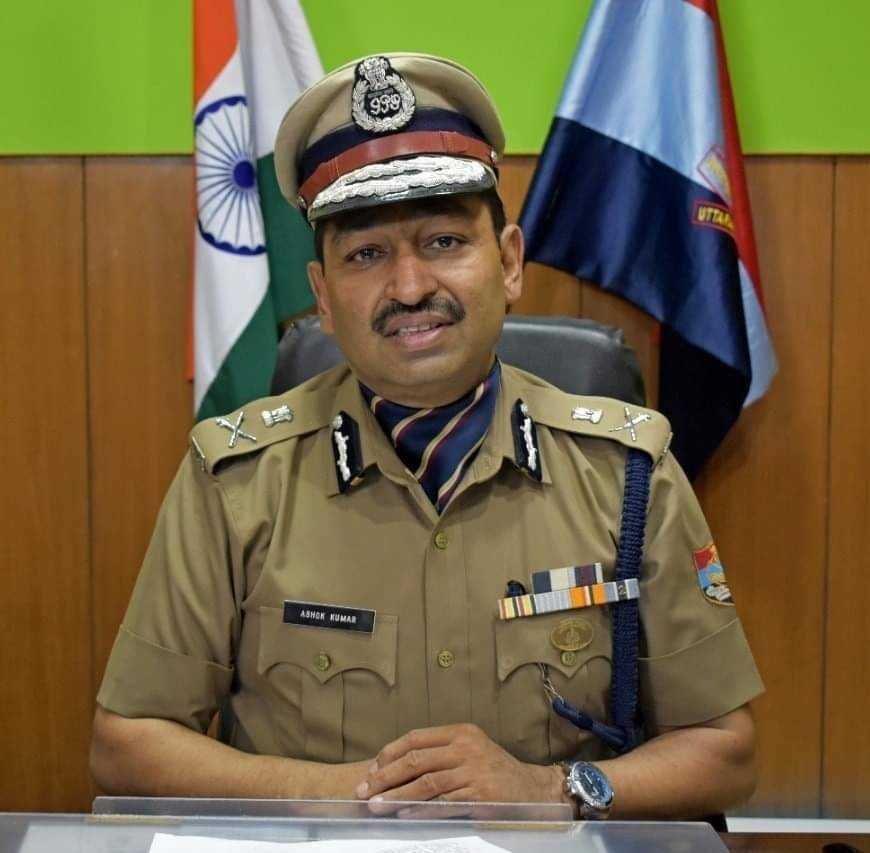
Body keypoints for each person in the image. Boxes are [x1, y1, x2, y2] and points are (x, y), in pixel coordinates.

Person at [90, 53, 763, 820]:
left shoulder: (626, 471)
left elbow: (726, 750)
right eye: (366, 254)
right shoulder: (235, 480)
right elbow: (127, 742)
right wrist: (352, 796)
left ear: (508, 262)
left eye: (444, 241)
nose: (410, 288)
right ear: (323, 297)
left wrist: (549, 790)